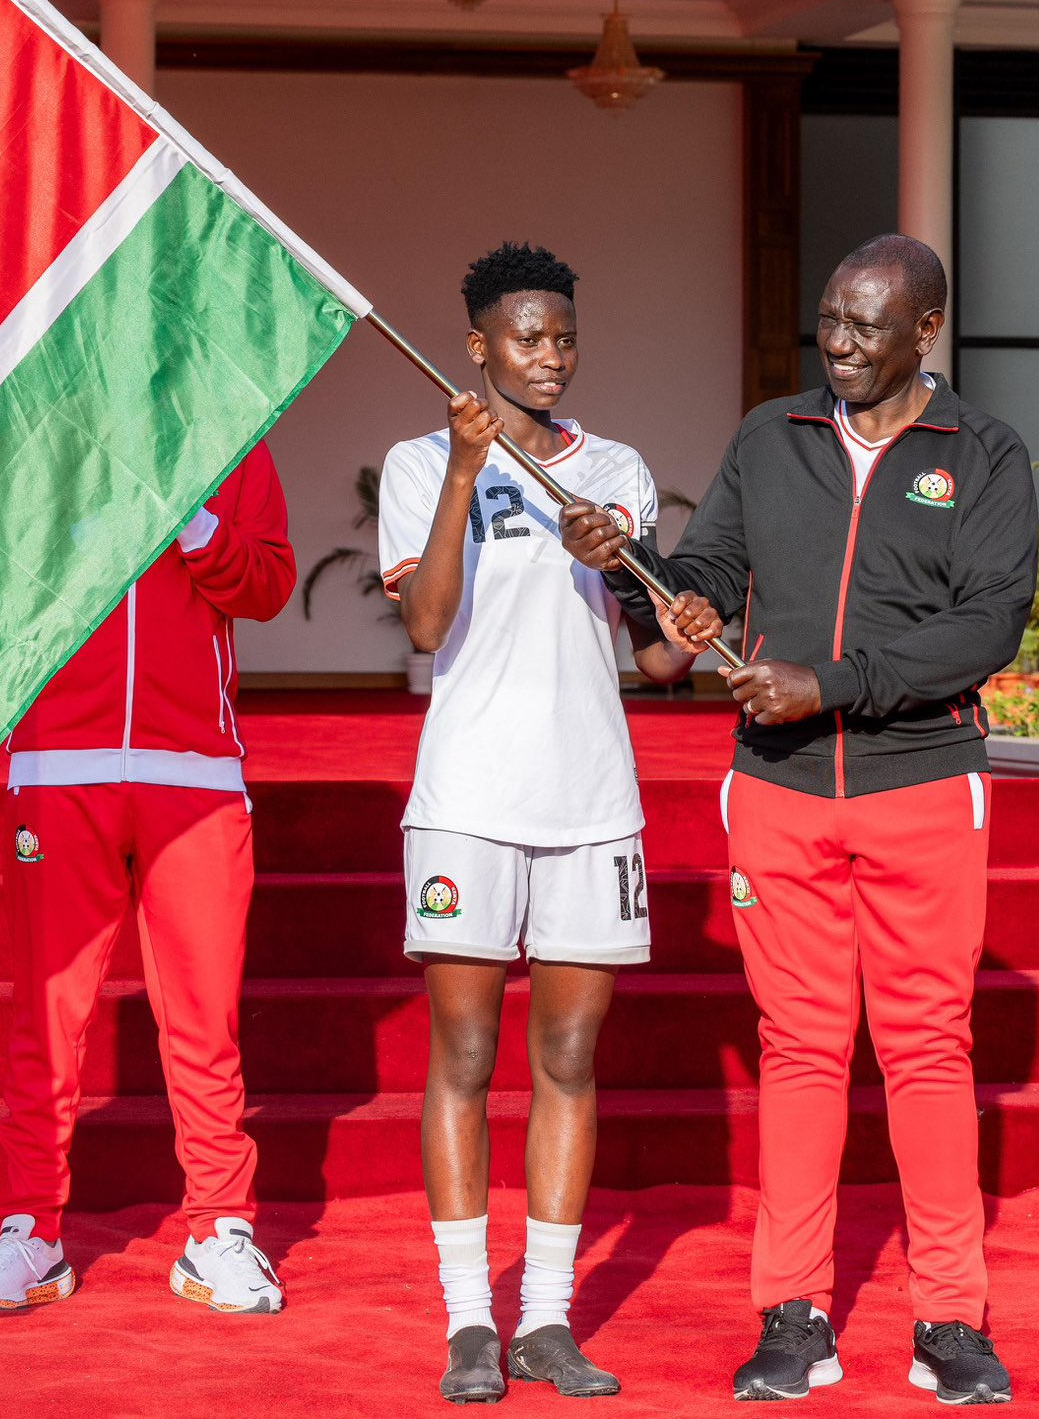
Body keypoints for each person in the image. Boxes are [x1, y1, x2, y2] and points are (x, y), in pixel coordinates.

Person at [560, 234, 1036, 1406]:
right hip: (775, 790)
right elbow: (706, 583)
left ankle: (948, 1321)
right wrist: (632, 570)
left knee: (925, 1052)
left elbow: (987, 626)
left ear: (923, 330)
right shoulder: (769, 438)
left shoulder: (980, 453)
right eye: (826, 320)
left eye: (865, 326)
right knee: (799, 1052)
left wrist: (830, 684)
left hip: (922, 781)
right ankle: (794, 1313)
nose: (837, 343)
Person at [378, 241, 719, 1403]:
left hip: (589, 801)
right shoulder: (419, 460)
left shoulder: (611, 466)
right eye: (528, 338)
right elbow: (424, 628)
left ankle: (546, 1321)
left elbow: (662, 656)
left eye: (565, 336)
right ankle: (469, 1320)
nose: (552, 356)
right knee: (464, 1054)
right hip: (468, 797)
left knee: (568, 1057)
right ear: (477, 349)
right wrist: (468, 475)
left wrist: (632, 572)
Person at [0, 444, 295, 1314]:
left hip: (198, 775)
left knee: (204, 1019)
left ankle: (219, 1227)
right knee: (48, 1014)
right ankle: (32, 1228)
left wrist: (192, 522)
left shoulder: (235, 442)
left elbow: (266, 587)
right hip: (59, 768)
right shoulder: (39, 440)